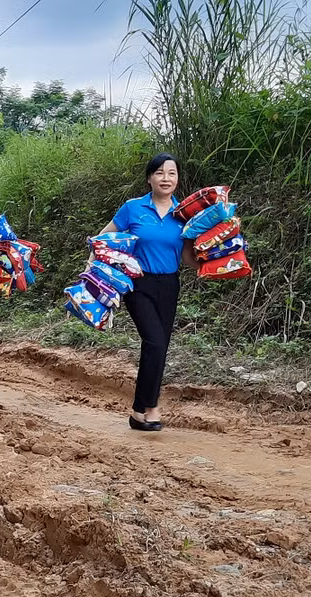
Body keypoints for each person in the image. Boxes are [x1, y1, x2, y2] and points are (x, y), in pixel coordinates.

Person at [88, 153, 199, 431]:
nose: (166, 178)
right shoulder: (133, 208)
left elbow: (187, 256)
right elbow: (103, 238)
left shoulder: (184, 214)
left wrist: (216, 262)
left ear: (178, 179)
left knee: (159, 346)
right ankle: (150, 408)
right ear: (149, 178)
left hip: (169, 284)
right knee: (155, 342)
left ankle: (140, 411)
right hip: (137, 283)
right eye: (159, 173)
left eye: (171, 173)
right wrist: (92, 269)